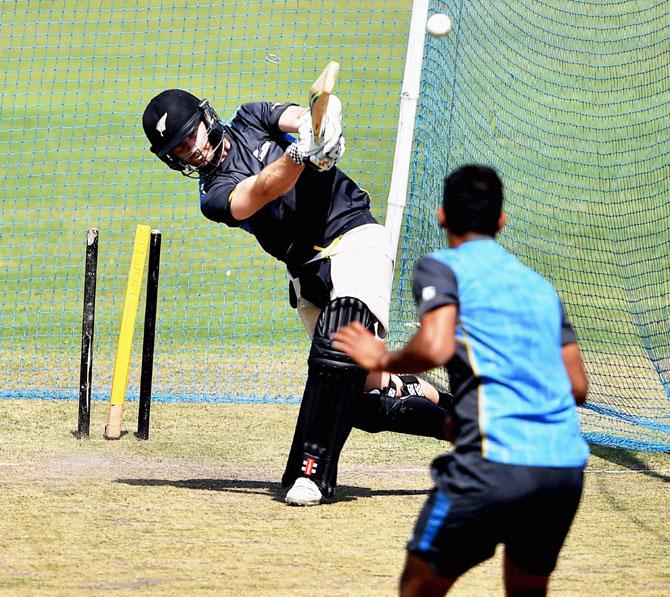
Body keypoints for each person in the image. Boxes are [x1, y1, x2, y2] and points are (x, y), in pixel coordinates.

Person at [141, 89, 454, 506]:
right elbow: (263, 190)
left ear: (206, 117)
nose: (190, 150)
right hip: (307, 276)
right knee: (362, 401)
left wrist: (323, 132)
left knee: (335, 344)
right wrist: (300, 156)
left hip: (354, 236)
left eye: (189, 135)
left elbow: (320, 111)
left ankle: (311, 474)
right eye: (176, 148)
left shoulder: (252, 118)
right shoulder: (213, 194)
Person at [333, 164, 589, 595]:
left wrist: (382, 357)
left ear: (442, 217)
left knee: (418, 585)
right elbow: (576, 387)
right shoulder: (540, 288)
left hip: (492, 465)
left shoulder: (442, 268)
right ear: (502, 221)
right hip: (562, 469)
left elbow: (435, 346)